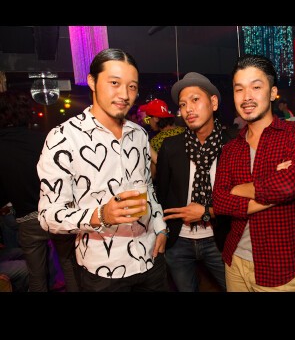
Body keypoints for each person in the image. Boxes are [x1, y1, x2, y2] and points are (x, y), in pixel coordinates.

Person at [37, 48, 169, 292]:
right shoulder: (63, 138)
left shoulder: (139, 134)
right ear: (92, 81)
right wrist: (101, 215)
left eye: (132, 86)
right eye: (114, 83)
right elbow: (48, 216)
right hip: (104, 270)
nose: (125, 95)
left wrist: (160, 227)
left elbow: (148, 186)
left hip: (151, 257)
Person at [212, 54, 295, 292]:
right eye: (239, 89)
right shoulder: (230, 149)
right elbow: (219, 202)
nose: (246, 97)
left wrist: (237, 190)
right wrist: (274, 187)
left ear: (272, 93)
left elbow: (287, 187)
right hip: (234, 261)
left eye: (256, 87)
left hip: (281, 268)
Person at [156, 72, 234, 292]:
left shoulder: (233, 145)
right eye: (183, 104)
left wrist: (207, 212)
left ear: (213, 103)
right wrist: (162, 231)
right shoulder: (171, 146)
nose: (188, 109)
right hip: (178, 241)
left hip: (220, 240)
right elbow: (160, 194)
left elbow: (239, 199)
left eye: (195, 100)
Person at [0, 90, 79, 292]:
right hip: (57, 213)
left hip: (27, 218)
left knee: (36, 277)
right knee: (69, 268)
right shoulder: (45, 139)